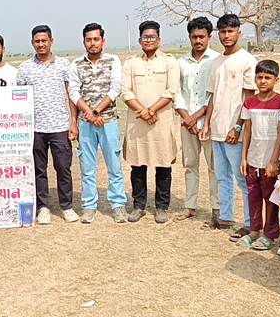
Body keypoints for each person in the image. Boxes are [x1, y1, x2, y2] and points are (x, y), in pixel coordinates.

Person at [199, 14, 257, 240]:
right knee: (221, 176)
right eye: (223, 31)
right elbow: (213, 96)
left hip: (236, 133)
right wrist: (207, 124)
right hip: (217, 129)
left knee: (242, 179)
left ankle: (250, 224)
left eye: (231, 31)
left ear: (238, 33)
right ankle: (225, 217)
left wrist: (238, 127)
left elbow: (250, 98)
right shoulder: (217, 61)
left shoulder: (247, 60)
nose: (226, 35)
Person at [17, 25, 79, 224]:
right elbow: (19, 99)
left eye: (44, 40)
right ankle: (43, 207)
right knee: (39, 170)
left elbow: (71, 95)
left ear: (51, 42)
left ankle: (67, 207)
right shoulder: (25, 68)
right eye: (37, 41)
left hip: (59, 126)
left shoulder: (64, 65)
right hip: (35, 129)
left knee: (63, 168)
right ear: (32, 43)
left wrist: (73, 122)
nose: (41, 44)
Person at [68, 23, 127, 224]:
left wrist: (96, 111)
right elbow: (73, 91)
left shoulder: (113, 60)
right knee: (87, 168)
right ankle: (89, 206)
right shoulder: (76, 64)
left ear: (103, 41)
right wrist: (89, 114)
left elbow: (115, 88)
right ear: (84, 42)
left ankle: (118, 205)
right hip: (86, 124)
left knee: (114, 166)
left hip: (108, 121)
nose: (92, 43)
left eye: (96, 39)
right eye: (88, 40)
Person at [121, 21, 179, 224]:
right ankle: (139, 206)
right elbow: (126, 92)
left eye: (152, 36)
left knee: (163, 165)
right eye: (145, 37)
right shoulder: (131, 63)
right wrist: (144, 112)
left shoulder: (169, 62)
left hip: (161, 121)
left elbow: (171, 91)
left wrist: (152, 110)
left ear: (159, 39)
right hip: (137, 122)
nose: (148, 40)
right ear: (140, 40)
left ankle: (162, 207)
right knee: (138, 165)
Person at [238, 60, 280, 250]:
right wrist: (244, 158)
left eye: (268, 77)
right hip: (253, 159)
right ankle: (254, 230)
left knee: (270, 198)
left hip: (270, 160)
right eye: (259, 77)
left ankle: (270, 234)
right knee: (253, 196)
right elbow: (247, 132)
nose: (263, 81)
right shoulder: (249, 103)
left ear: (276, 80)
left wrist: (274, 161)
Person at [174, 16, 220, 223]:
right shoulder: (181, 63)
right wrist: (187, 118)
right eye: (194, 37)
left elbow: (215, 94)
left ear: (210, 37)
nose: (198, 40)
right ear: (189, 37)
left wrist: (196, 118)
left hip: (210, 122)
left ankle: (217, 208)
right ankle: (190, 206)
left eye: (202, 36)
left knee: (214, 167)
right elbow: (176, 93)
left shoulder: (217, 61)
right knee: (190, 166)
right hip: (187, 123)